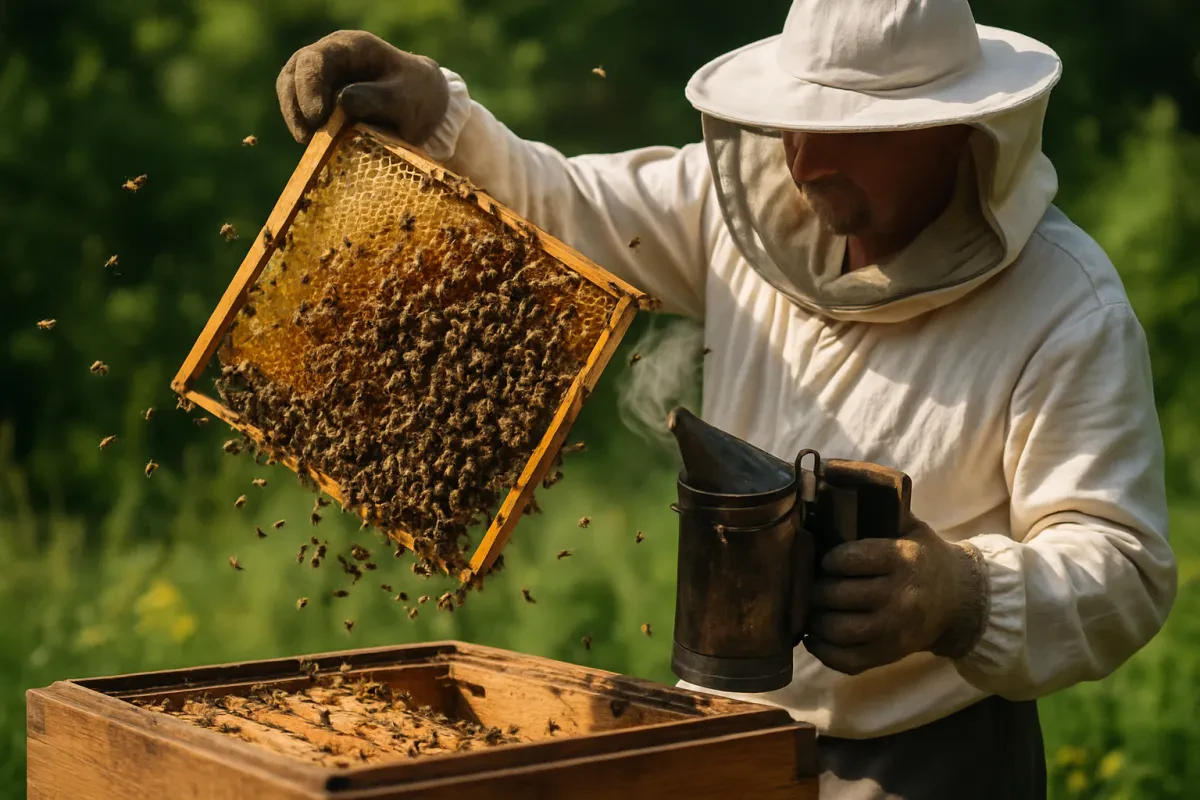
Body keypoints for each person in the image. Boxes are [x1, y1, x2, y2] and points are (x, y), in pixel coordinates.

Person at [275, 0, 1178, 796]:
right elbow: (569, 207)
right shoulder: (749, 210)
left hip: (926, 762)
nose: (803, 159)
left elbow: (1124, 567)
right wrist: (442, 115)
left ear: (952, 130)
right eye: (793, 121)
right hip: (722, 734)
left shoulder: (1068, 308)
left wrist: (963, 594)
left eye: (848, 130)